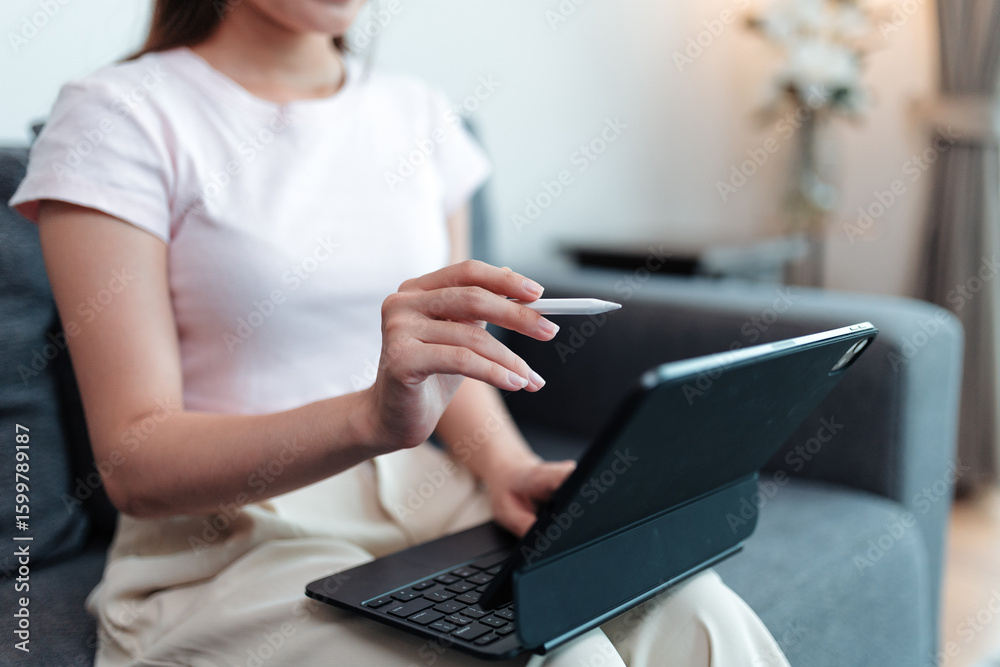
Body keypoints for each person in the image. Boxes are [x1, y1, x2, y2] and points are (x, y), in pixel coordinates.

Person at [10, 1, 791, 665]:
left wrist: (509, 467)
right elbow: (133, 462)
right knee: (562, 652)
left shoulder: (418, 114)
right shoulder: (118, 115)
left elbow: (447, 357)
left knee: (699, 613)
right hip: (231, 535)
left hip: (430, 503)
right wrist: (368, 417)